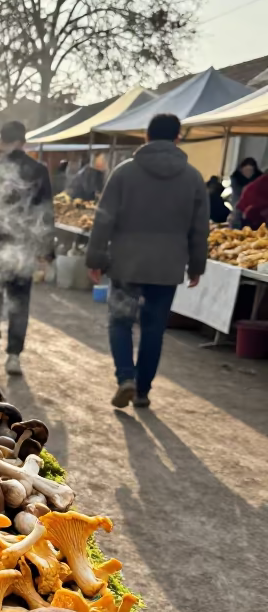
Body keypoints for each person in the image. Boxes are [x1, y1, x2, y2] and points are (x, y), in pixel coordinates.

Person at [86, 113, 208, 410]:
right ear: (178, 137)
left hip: (127, 264)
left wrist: (95, 257)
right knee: (154, 329)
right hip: (167, 268)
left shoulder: (124, 172)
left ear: (146, 136)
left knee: (120, 322)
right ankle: (142, 391)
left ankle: (125, 376)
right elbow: (200, 227)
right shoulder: (193, 177)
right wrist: (196, 266)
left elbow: (104, 219)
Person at [0, 121, 54, 376]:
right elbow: (47, 212)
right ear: (24, 141)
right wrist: (47, 251)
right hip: (23, 246)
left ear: (0, 141)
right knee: (19, 300)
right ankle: (14, 357)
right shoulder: (39, 170)